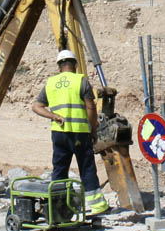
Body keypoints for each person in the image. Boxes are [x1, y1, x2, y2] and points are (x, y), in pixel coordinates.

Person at [31, 49, 110, 215]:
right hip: (79, 133)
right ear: (75, 65)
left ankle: (58, 207)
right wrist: (93, 129)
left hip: (59, 134)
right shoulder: (81, 81)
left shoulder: (50, 83)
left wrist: (53, 115)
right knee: (86, 167)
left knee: (59, 169)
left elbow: (36, 106)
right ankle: (95, 205)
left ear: (59, 66)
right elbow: (90, 106)